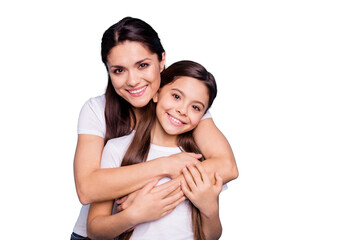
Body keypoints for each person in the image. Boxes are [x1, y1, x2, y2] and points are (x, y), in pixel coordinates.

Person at [72, 17, 238, 239]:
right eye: (119, 70)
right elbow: (87, 188)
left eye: (143, 65)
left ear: (161, 61)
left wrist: (158, 195)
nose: (133, 80)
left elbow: (227, 166)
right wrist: (166, 167)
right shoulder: (97, 111)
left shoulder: (183, 108)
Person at [87, 60, 223, 240]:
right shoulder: (117, 149)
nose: (182, 110)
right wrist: (134, 215)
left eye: (196, 107)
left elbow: (211, 236)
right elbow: (94, 230)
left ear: (203, 115)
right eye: (176, 96)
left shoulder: (201, 159)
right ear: (156, 93)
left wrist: (210, 209)